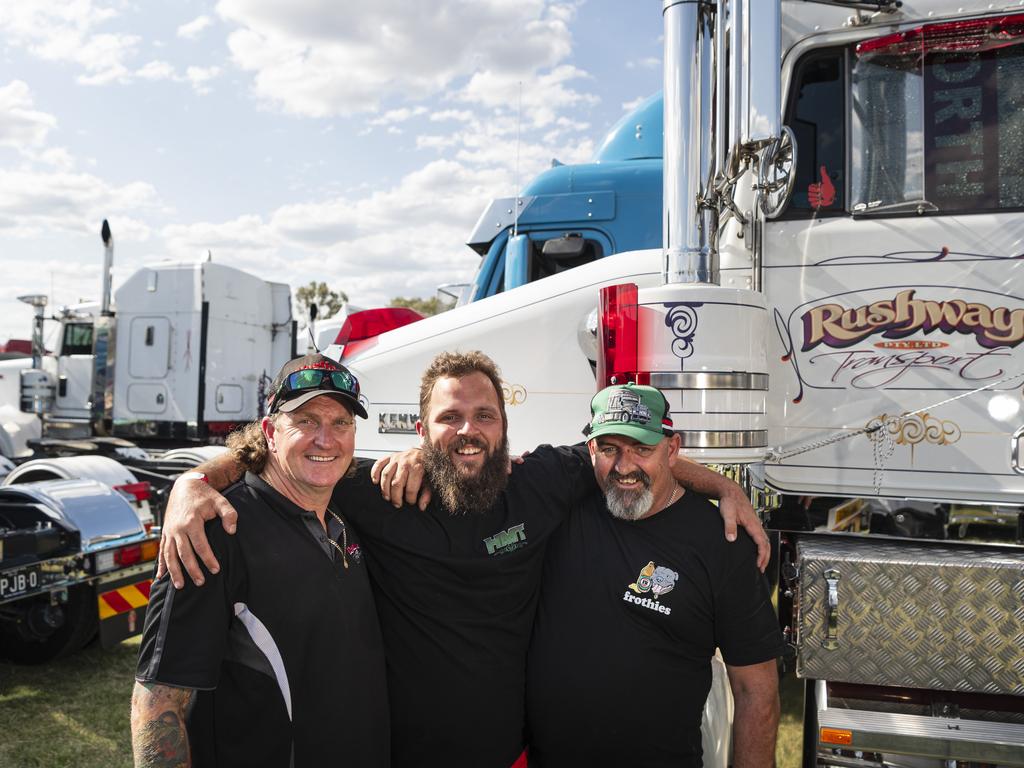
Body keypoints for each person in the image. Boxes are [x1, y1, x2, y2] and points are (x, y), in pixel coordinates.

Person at [158, 350, 769, 768]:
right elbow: (279, 455)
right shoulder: (376, 491)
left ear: (505, 427)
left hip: (511, 754)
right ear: (421, 431)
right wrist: (194, 482)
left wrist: (722, 486)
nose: (467, 429)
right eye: (449, 418)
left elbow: (631, 456)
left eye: (483, 415)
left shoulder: (544, 480)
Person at [130, 355, 389, 767]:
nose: (326, 439)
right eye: (305, 421)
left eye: (341, 422)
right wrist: (192, 484)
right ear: (270, 431)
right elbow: (157, 702)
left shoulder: (345, 506)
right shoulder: (214, 530)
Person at [526, 383, 785, 767]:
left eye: (643, 449)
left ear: (672, 449)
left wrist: (726, 487)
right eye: (610, 448)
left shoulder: (722, 542)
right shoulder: (561, 507)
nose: (624, 466)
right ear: (591, 450)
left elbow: (755, 691)